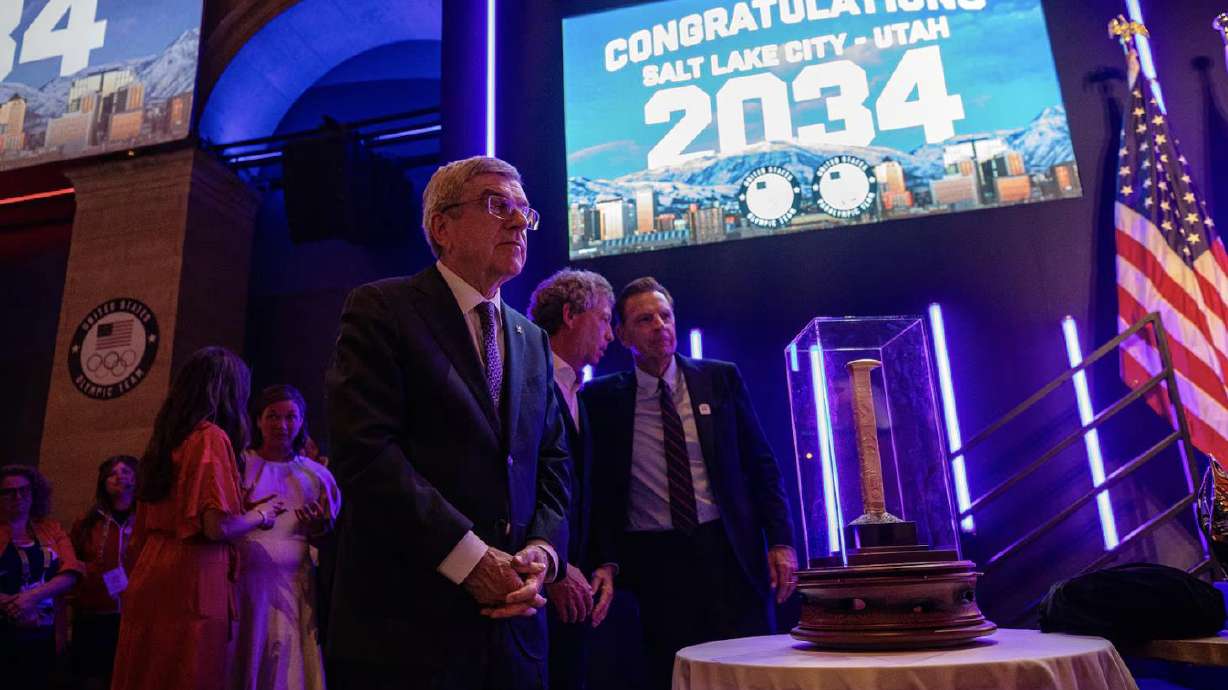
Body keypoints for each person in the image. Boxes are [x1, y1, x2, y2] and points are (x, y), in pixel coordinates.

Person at [325, 155, 570, 690]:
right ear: (442, 226)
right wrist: (470, 559)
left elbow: (552, 462)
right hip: (407, 632)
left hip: (516, 631)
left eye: (523, 211)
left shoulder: (532, 338)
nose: (515, 221)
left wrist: (543, 553)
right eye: (496, 204)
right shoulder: (383, 309)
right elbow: (364, 451)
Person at [583, 277, 797, 690]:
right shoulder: (601, 400)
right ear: (623, 333)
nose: (660, 325)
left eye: (665, 315)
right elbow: (597, 491)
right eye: (645, 319)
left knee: (749, 672)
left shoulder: (720, 379)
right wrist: (603, 559)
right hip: (653, 563)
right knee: (671, 674)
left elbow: (761, 464)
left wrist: (782, 542)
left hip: (728, 550)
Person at [111, 347, 288, 690]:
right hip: (192, 574)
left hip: (152, 567)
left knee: (148, 672)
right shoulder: (211, 438)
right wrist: (260, 515)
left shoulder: (165, 440)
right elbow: (215, 526)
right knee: (188, 672)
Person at [527, 269, 618, 690]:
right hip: (538, 589)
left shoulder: (581, 393)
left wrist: (603, 563)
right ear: (569, 315)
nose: (611, 335)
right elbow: (524, 493)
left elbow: (584, 493)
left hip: (579, 590)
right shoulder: (526, 381)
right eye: (604, 318)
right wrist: (556, 570)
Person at [231, 384, 341, 690]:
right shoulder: (241, 466)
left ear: (302, 420)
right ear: (258, 420)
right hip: (246, 582)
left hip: (295, 585)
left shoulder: (317, 475)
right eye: (273, 416)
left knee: (290, 659)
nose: (282, 425)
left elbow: (330, 532)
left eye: (290, 416)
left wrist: (319, 527)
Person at [0, 464, 83, 690]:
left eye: (24, 490)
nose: (17, 496)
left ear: (34, 493)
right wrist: (8, 602)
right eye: (8, 491)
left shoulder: (51, 528)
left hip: (44, 631)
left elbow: (71, 571)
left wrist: (31, 597)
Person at [69, 455, 138, 690]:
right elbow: (72, 563)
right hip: (94, 613)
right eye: (112, 473)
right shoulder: (86, 522)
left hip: (134, 614)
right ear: (103, 482)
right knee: (92, 677)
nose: (119, 476)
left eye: (126, 471)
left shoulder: (148, 521)